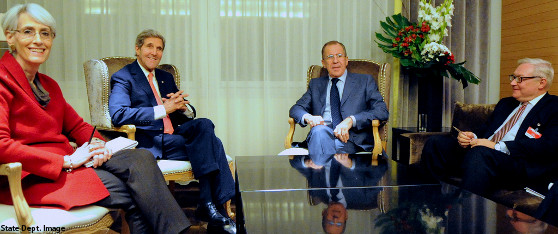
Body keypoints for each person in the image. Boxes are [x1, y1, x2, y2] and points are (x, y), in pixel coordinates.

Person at [0, 3, 190, 233]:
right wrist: (65, 162)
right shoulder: (2, 80)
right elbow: (2, 145)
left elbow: (78, 126)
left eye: (46, 33)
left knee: (140, 158)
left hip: (70, 163)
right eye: (28, 31)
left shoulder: (48, 85)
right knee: (139, 190)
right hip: (31, 176)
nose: (38, 40)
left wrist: (100, 145)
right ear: (10, 37)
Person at [108, 29, 235, 233]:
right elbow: (119, 114)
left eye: (159, 49)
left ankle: (207, 204)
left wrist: (183, 109)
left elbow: (178, 113)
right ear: (137, 49)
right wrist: (162, 109)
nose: (155, 53)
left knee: (204, 124)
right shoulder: (124, 77)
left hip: (174, 134)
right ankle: (215, 210)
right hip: (151, 140)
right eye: (149, 46)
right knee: (215, 144)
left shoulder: (165, 76)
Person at [421, 58, 558, 196]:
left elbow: (549, 146)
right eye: (513, 77)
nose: (512, 83)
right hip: (483, 155)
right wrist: (472, 137)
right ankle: (430, 204)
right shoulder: (506, 103)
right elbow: (486, 130)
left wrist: (497, 146)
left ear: (541, 82)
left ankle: (466, 211)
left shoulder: (554, 107)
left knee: (480, 153)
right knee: (436, 143)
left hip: (516, 165)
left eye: (519, 79)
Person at [289, 41, 389, 154]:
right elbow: (296, 109)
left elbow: (381, 111)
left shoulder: (364, 81)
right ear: (323, 63)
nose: (335, 61)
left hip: (351, 140)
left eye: (339, 56)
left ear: (346, 60)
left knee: (322, 145)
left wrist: (352, 120)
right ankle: (328, 167)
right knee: (319, 131)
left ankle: (320, 168)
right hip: (320, 135)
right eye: (330, 57)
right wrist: (309, 117)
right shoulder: (316, 84)